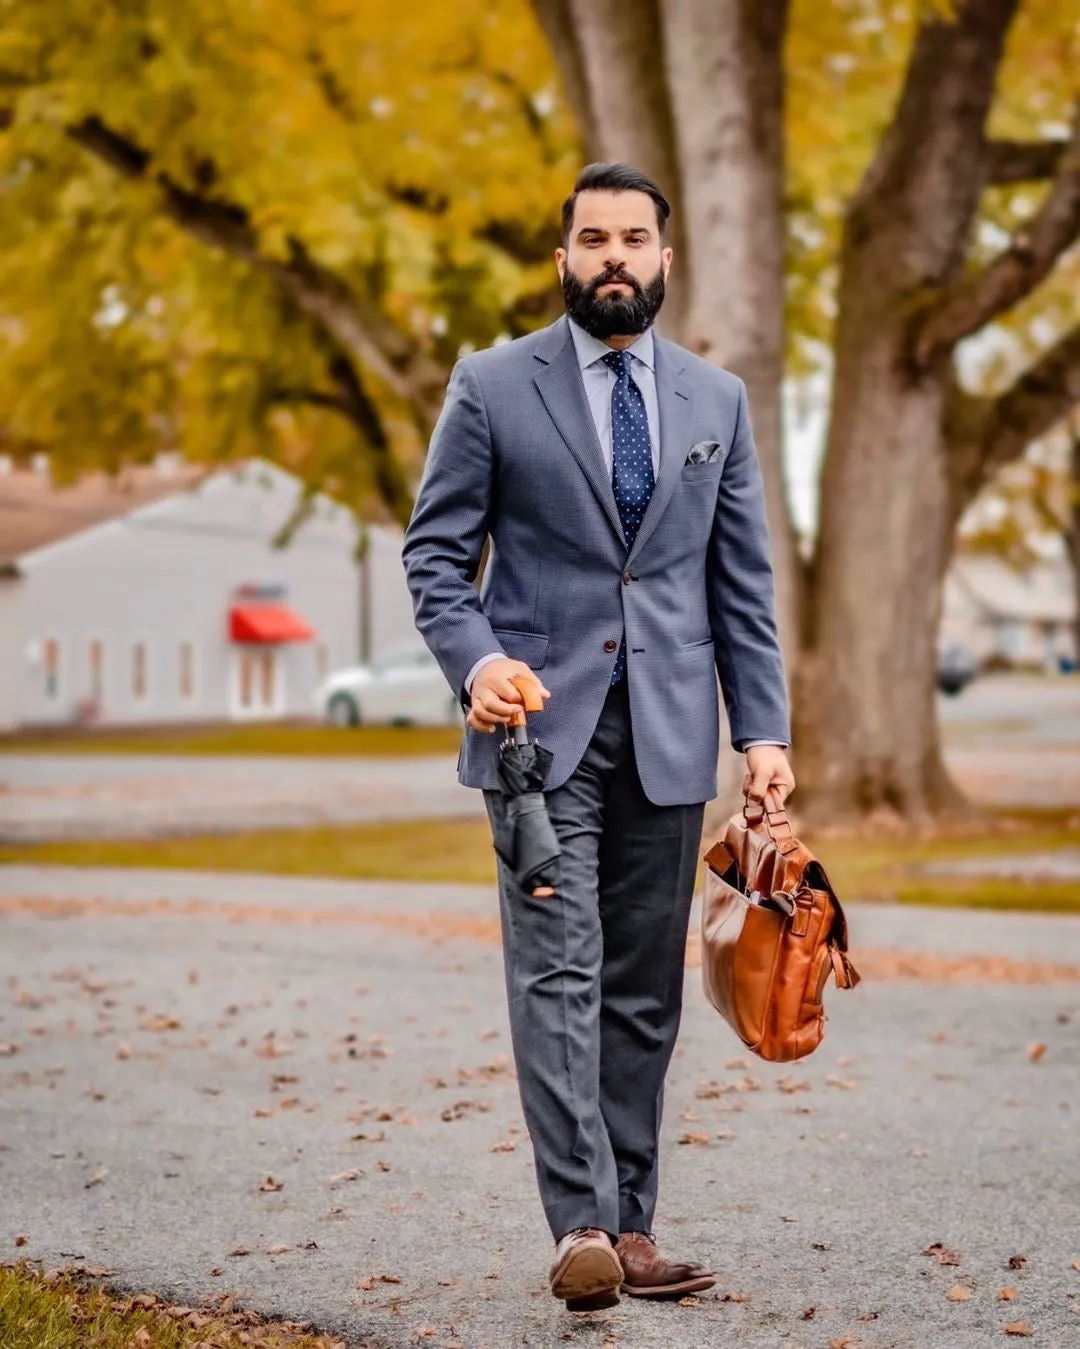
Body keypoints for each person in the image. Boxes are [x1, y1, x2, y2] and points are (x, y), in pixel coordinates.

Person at [402, 162, 794, 1312]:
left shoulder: (715, 401)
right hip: (538, 741)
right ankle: (577, 1220)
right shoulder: (490, 386)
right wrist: (478, 663)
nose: (612, 254)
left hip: (672, 735)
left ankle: (631, 1226)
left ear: (665, 260)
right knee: (557, 968)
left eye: (633, 237)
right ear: (563, 257)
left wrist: (762, 731)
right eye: (592, 238)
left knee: (640, 990)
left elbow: (742, 585)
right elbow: (436, 560)